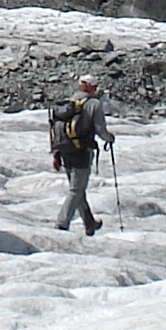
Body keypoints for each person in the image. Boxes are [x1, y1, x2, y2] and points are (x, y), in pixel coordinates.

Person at [52, 73, 110, 235]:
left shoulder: (68, 104)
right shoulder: (94, 104)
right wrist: (109, 139)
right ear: (90, 87)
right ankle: (62, 224)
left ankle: (89, 222)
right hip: (82, 151)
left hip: (65, 150)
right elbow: (100, 129)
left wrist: (56, 154)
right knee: (76, 190)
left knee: (77, 188)